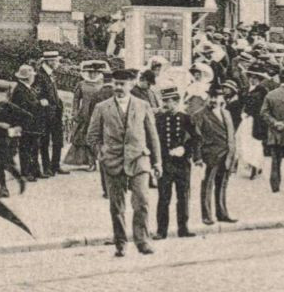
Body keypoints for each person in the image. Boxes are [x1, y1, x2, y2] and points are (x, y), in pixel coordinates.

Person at [88, 67, 162, 257]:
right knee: (117, 206)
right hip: (112, 162)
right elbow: (92, 136)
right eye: (116, 84)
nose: (119, 87)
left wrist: (157, 162)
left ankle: (142, 240)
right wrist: (101, 152)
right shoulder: (102, 107)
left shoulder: (142, 105)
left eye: (123, 84)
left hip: (139, 159)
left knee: (142, 202)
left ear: (131, 85)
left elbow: (153, 136)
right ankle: (120, 242)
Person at [153, 85, 197, 239]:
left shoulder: (185, 118)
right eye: (163, 100)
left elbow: (196, 138)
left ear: (176, 101)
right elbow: (154, 141)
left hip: (182, 164)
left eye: (168, 101)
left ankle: (183, 228)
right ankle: (161, 230)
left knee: (183, 197)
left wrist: (185, 150)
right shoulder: (159, 119)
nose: (165, 104)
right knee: (164, 198)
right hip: (165, 163)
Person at [191, 90, 238, 224]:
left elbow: (231, 135)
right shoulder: (199, 115)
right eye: (211, 97)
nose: (213, 100)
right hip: (210, 156)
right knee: (207, 186)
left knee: (222, 185)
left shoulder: (226, 113)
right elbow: (196, 138)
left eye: (216, 97)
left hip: (226, 155)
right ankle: (206, 215)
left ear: (222, 98)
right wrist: (198, 157)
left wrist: (233, 152)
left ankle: (222, 213)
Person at [63, 60, 109, 170]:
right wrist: (74, 111)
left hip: (98, 113)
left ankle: (100, 161)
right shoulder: (81, 84)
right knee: (83, 138)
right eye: (91, 72)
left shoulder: (102, 83)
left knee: (98, 138)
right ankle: (90, 162)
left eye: (96, 72)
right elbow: (76, 98)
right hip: (84, 114)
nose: (94, 74)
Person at [10, 65, 46, 184]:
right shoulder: (20, 90)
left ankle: (35, 170)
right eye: (32, 76)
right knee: (26, 148)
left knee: (34, 147)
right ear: (27, 77)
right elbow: (23, 107)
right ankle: (26, 172)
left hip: (33, 124)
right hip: (26, 124)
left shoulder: (26, 88)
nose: (33, 78)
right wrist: (40, 104)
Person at [34, 50, 67, 175]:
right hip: (45, 113)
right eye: (56, 60)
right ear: (50, 61)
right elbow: (38, 94)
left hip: (56, 112)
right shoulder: (40, 75)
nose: (58, 63)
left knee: (58, 140)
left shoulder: (51, 74)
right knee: (45, 141)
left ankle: (55, 165)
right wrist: (43, 102)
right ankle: (47, 167)